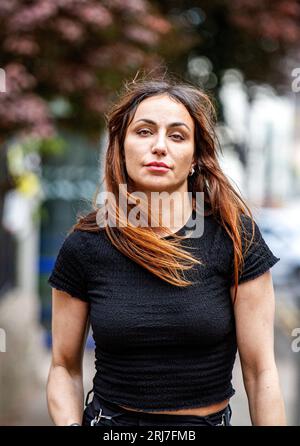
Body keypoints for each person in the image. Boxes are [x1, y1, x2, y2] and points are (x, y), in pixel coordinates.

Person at [46, 73, 287, 426]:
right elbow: (63, 368)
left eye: (177, 135)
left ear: (193, 158)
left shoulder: (235, 238)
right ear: (121, 146)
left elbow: (261, 372)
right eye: (144, 131)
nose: (159, 146)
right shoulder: (86, 245)